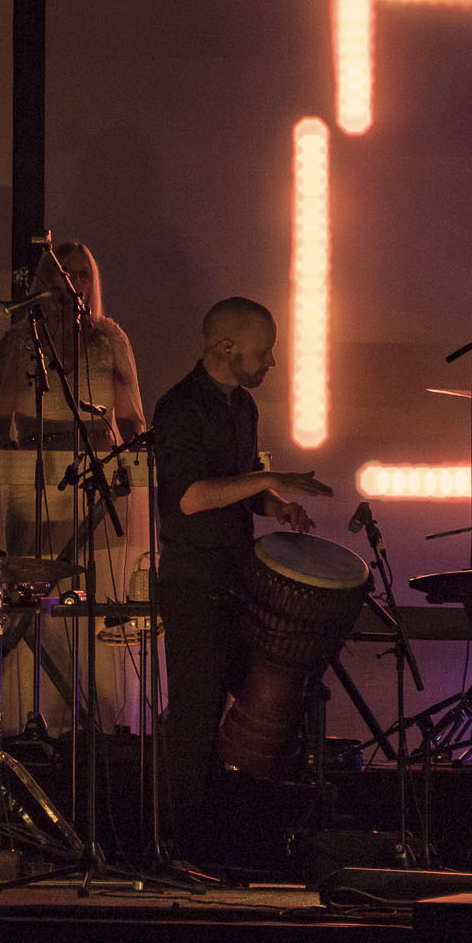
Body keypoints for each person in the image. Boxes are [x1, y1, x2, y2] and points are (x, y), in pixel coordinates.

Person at [151, 296, 329, 863]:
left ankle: (241, 835)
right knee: (196, 717)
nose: (271, 362)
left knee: (265, 703)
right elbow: (191, 496)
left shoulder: (242, 406)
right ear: (225, 346)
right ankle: (183, 847)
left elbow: (238, 482)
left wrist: (274, 503)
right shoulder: (178, 408)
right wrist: (269, 479)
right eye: (265, 351)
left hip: (236, 577)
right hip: (193, 582)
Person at [0, 242, 149, 740]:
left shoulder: (109, 338)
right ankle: (31, 718)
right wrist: (8, 457)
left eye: (81, 275)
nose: (72, 285)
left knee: (93, 595)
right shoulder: (18, 342)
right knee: (35, 598)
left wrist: (131, 459)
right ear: (41, 284)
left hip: (94, 472)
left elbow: (131, 415)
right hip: (35, 476)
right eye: (62, 276)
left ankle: (97, 718)